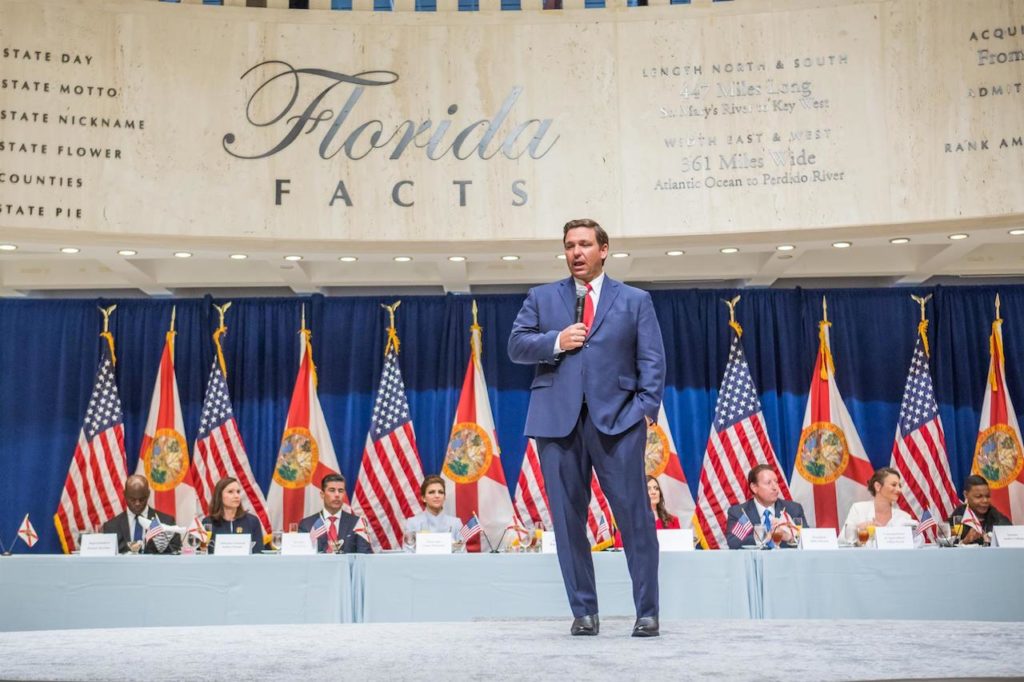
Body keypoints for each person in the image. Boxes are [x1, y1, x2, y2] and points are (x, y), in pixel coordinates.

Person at [508, 218, 666, 638]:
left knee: (635, 519)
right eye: (569, 246)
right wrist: (558, 340)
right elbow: (517, 345)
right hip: (556, 424)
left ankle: (647, 612)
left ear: (603, 249)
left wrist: (645, 410)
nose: (575, 252)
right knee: (567, 521)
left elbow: (652, 360)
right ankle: (584, 613)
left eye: (583, 244)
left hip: (618, 422)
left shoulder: (635, 300)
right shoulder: (542, 298)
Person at [725, 465, 807, 550]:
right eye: (768, 483)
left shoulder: (793, 509)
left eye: (776, 482)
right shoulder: (739, 512)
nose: (775, 487)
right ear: (754, 488)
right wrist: (765, 537)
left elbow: (808, 540)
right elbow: (733, 542)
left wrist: (790, 537)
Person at [102, 474, 180, 554]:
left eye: (142, 499)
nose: (137, 503)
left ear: (148, 494)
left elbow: (175, 553)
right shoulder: (111, 527)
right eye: (132, 499)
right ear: (124, 494)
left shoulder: (166, 522)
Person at [842, 467, 920, 545]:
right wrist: (857, 530)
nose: (899, 490)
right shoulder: (858, 509)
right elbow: (842, 542)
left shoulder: (905, 517)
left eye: (899, 486)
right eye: (894, 485)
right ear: (877, 486)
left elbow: (915, 544)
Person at [297, 473, 373, 554]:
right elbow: (302, 558)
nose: (337, 495)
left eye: (340, 491)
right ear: (322, 495)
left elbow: (365, 557)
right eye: (332, 490)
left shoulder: (357, 523)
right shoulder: (307, 524)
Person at [203, 477, 265, 554]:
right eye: (230, 492)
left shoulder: (252, 521)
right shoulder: (208, 522)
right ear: (219, 496)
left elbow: (258, 553)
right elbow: (202, 553)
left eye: (238, 492)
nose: (236, 496)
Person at [613, 476, 680, 548]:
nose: (654, 492)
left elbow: (680, 548)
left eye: (656, 488)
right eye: (648, 489)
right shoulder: (628, 523)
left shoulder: (673, 521)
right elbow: (620, 550)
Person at [948, 474, 1012, 545]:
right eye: (979, 496)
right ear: (966, 495)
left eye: (987, 496)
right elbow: (948, 548)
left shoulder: (999, 520)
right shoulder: (956, 520)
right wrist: (965, 541)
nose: (985, 500)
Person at [403, 475, 463, 548]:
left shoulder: (456, 523)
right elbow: (408, 554)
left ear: (444, 497)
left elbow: (462, 554)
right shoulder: (412, 523)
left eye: (441, 492)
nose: (437, 495)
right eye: (432, 492)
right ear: (423, 498)